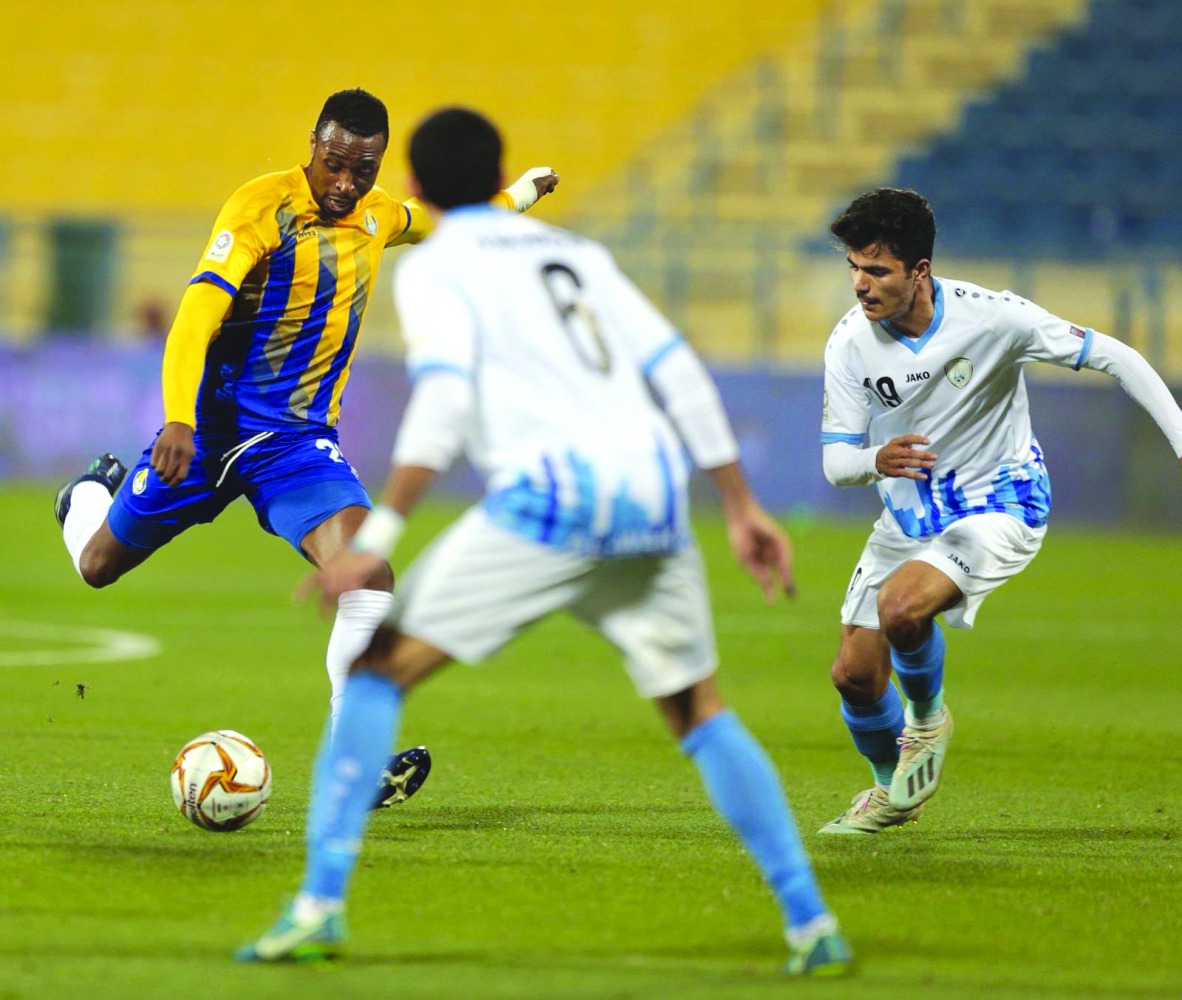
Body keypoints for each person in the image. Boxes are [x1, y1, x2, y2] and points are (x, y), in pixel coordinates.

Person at [236, 107, 853, 975]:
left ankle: (317, 908)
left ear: (409, 184)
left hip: (552, 502)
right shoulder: (576, 255)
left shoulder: (438, 266)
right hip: (653, 499)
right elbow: (675, 365)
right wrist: (742, 505)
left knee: (377, 670)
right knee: (698, 710)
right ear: (498, 176)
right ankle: (811, 921)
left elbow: (446, 403)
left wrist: (380, 535)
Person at [53, 88, 559, 807]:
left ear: (379, 164)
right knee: (97, 565)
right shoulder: (261, 207)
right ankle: (84, 499)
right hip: (204, 434)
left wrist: (514, 196)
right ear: (313, 147)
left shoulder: (379, 214)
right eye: (334, 164)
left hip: (293, 447)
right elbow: (196, 316)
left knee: (367, 574)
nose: (345, 183)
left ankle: (354, 762)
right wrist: (176, 419)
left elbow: (447, 222)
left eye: (363, 169)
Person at [816, 187, 1182, 834]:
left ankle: (926, 722)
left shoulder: (994, 318)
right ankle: (891, 791)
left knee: (904, 607)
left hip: (998, 500)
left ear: (919, 271)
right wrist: (876, 460)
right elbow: (837, 463)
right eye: (853, 268)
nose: (860, 285)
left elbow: (1117, 357)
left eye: (876, 271)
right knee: (853, 677)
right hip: (906, 518)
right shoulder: (849, 344)